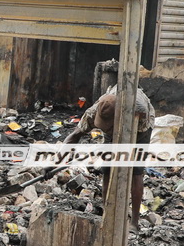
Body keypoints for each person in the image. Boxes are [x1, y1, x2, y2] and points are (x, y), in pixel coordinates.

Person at [64, 85, 155, 232]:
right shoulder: (94, 112)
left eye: (108, 126)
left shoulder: (138, 112)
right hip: (116, 122)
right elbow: (74, 136)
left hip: (139, 129)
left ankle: (134, 222)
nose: (105, 128)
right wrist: (55, 161)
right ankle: (107, 213)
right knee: (107, 168)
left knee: (135, 171)